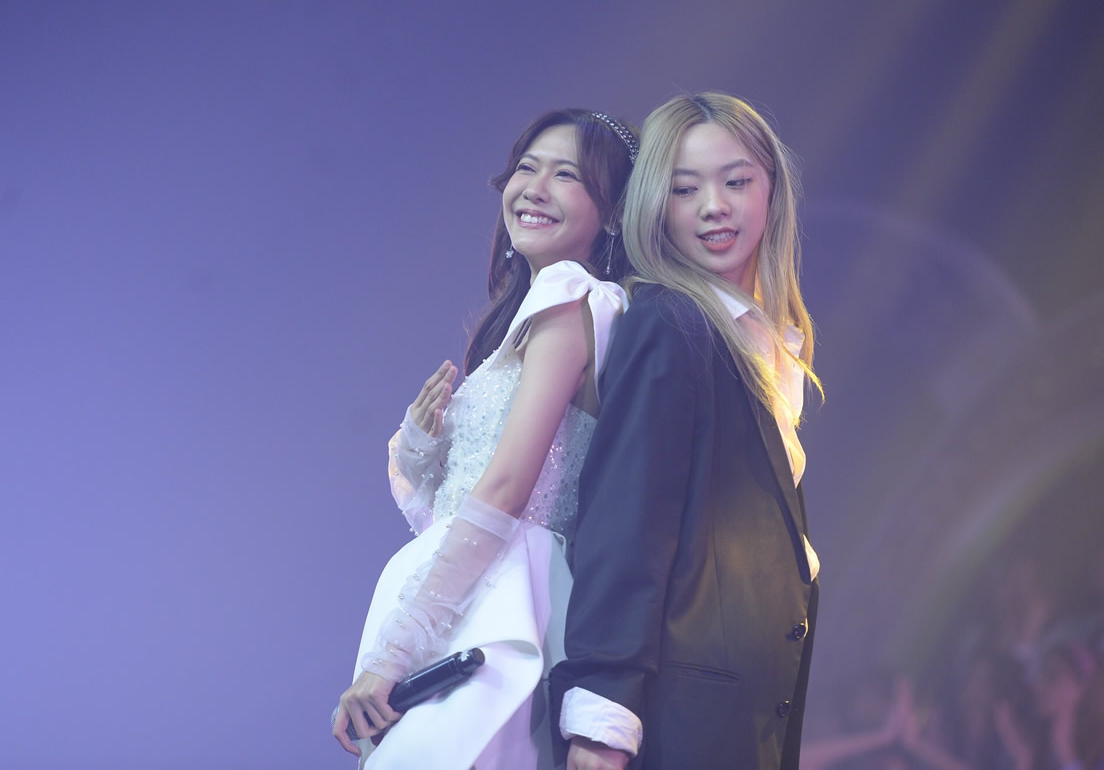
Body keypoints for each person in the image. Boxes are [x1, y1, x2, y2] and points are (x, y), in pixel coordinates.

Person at [332, 108, 639, 769]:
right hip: (473, 601)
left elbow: (506, 491)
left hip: (500, 611)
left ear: (613, 214)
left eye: (566, 175)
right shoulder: (531, 316)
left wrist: (395, 653)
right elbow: (452, 510)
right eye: (527, 168)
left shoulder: (571, 295)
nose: (535, 188)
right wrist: (424, 447)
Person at [550, 92, 823, 769]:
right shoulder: (670, 323)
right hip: (674, 722)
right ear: (654, 204)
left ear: (772, 191)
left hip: (737, 725)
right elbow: (627, 525)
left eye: (736, 182)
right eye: (684, 188)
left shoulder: (757, 342)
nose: (714, 206)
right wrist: (602, 720)